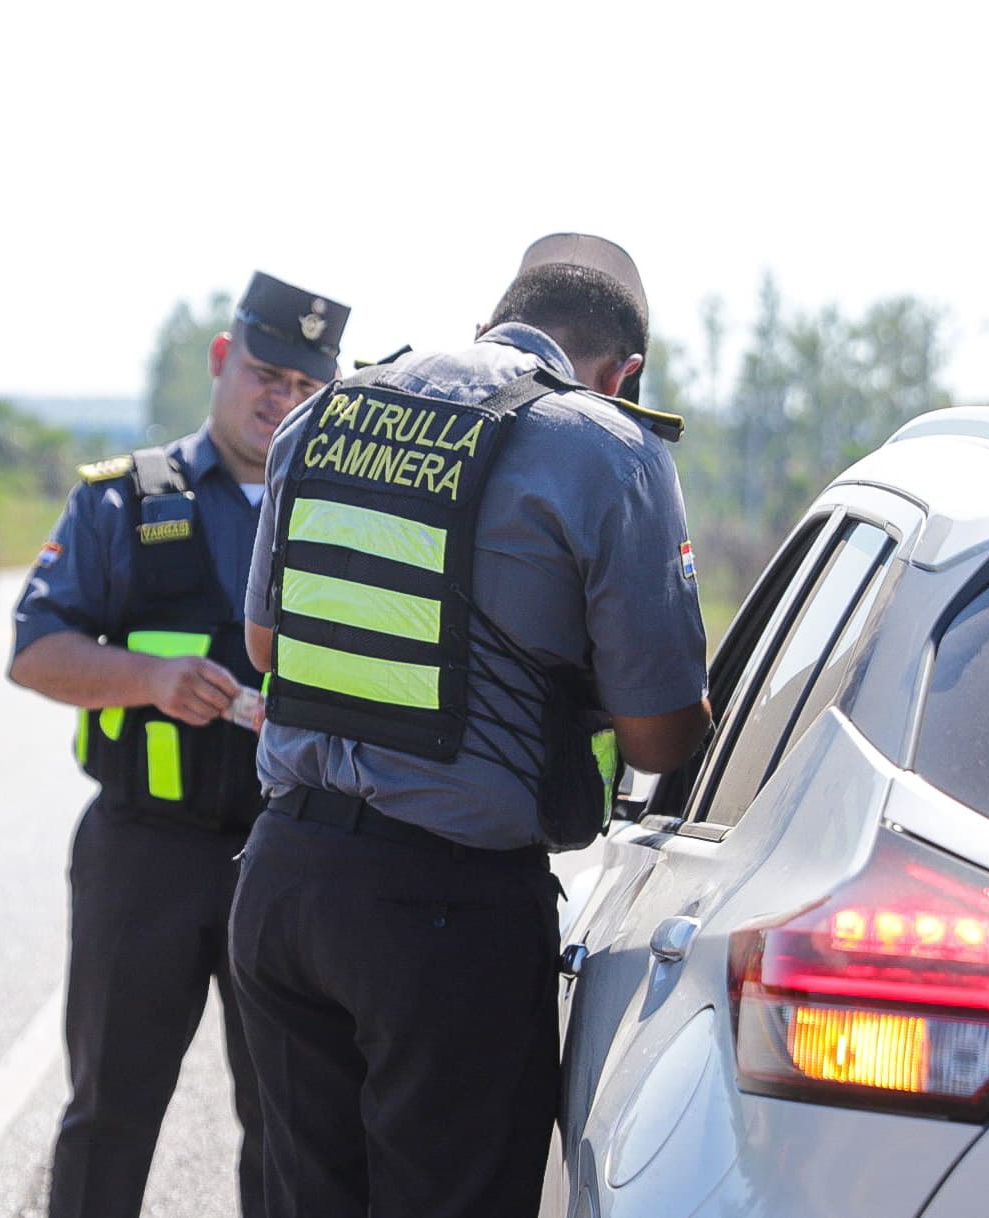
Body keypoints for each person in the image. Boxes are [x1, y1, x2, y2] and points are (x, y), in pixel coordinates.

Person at [229, 234, 712, 1217]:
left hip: (282, 882)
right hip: (443, 917)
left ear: (487, 324)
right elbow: (662, 741)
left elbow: (267, 648)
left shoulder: (324, 413)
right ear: (623, 374)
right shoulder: (604, 446)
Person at [9, 271, 351, 1218]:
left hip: (289, 858)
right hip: (145, 854)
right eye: (265, 373)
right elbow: (34, 650)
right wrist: (151, 681)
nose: (280, 402)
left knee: (290, 1127)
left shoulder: (344, 519)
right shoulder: (126, 501)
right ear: (220, 360)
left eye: (306, 389)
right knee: (110, 1115)